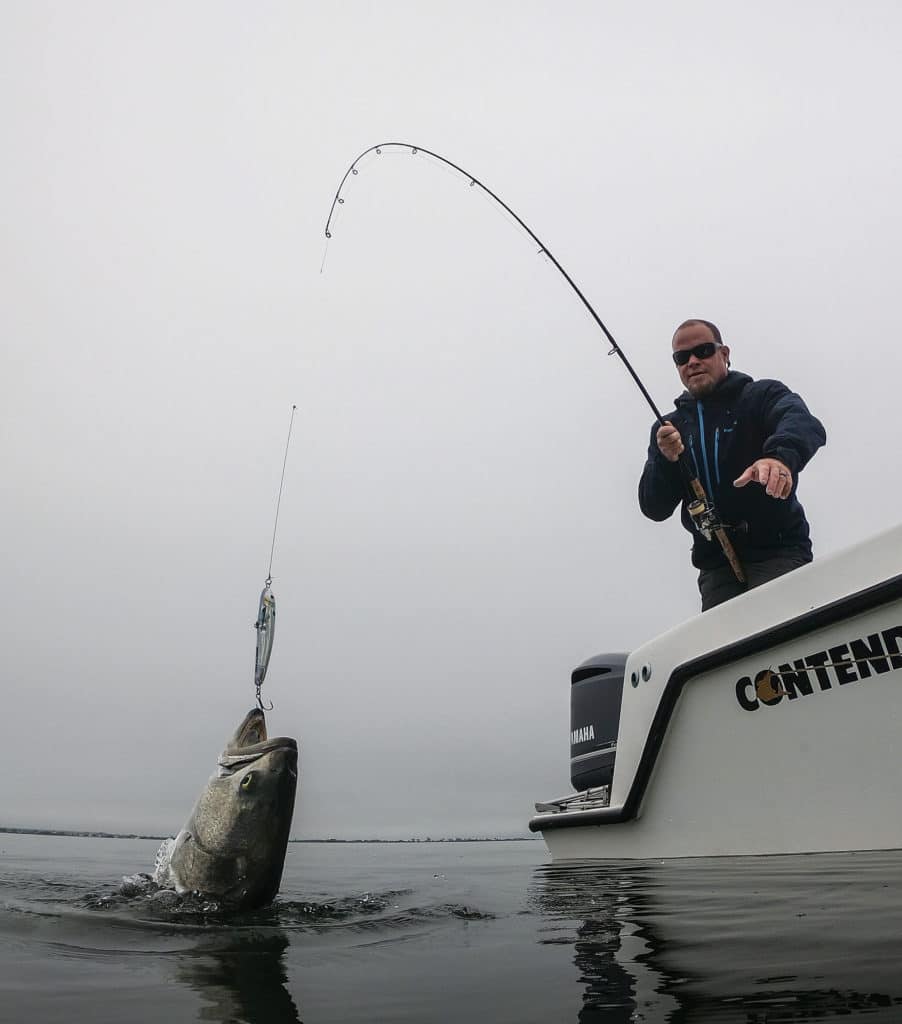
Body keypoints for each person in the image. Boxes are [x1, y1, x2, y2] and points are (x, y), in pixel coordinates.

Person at [638, 318, 826, 611]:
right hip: (715, 570)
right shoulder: (668, 428)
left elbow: (801, 422)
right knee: (733, 652)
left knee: (784, 636)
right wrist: (665, 460)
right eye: (682, 357)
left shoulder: (762, 395)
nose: (693, 361)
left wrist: (778, 458)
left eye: (703, 350)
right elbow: (654, 508)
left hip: (778, 553)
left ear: (724, 354)